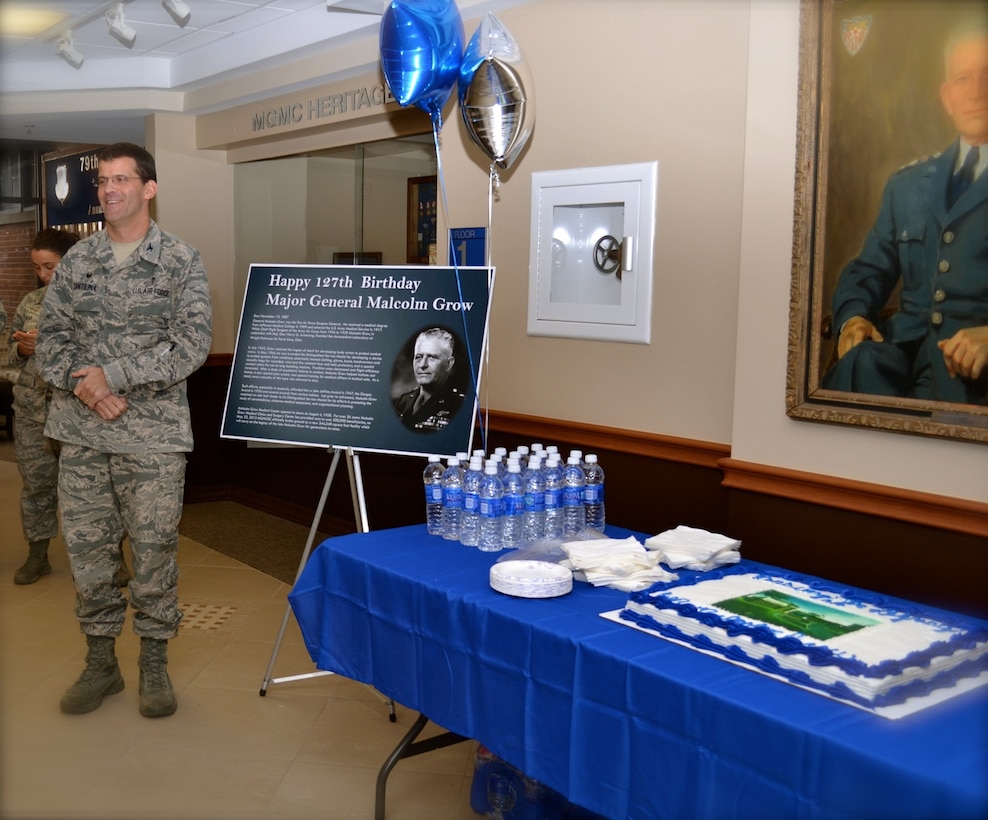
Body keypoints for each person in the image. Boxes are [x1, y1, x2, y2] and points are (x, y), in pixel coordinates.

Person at [35, 142, 212, 718]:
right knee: (89, 554)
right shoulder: (76, 261)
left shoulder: (180, 262)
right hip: (83, 435)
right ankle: (100, 662)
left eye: (121, 180)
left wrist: (114, 377)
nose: (109, 190)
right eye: (103, 182)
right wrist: (89, 388)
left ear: (148, 188)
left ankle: (154, 663)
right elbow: (49, 343)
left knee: (155, 551)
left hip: (153, 441)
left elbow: (190, 346)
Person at [824, 20, 988, 404]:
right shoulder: (907, 185)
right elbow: (868, 271)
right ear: (947, 97)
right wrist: (854, 319)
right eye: (964, 79)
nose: (977, 92)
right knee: (855, 370)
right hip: (893, 366)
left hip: (972, 380)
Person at [10, 228, 79, 584]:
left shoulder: (92, 305)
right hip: (33, 413)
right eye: (38, 268)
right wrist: (23, 348)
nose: (43, 276)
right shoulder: (30, 304)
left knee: (90, 490)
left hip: (78, 415)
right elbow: (9, 352)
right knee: (37, 486)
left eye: (50, 267)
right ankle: (37, 555)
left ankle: (110, 559)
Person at [393, 327, 466, 432]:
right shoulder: (403, 400)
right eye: (418, 357)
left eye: (432, 357)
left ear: (448, 364)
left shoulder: (459, 405)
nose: (423, 365)